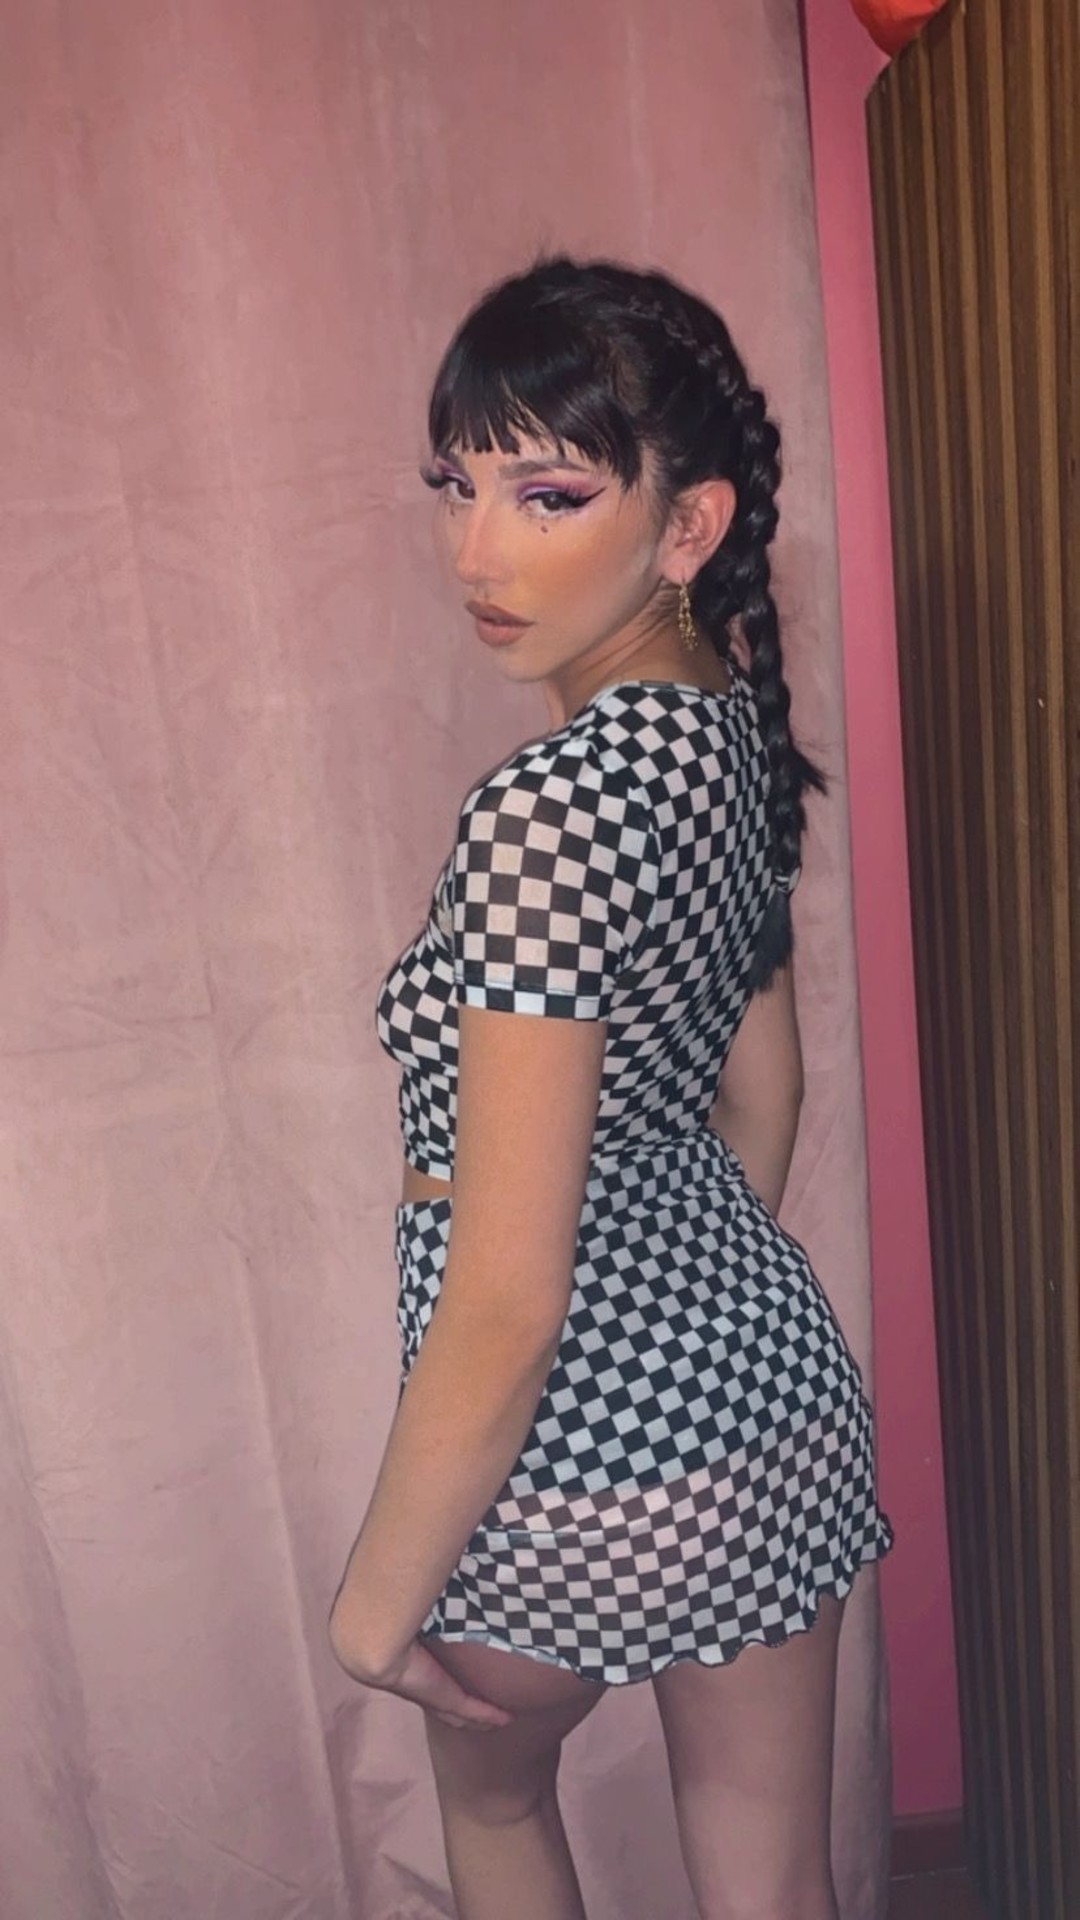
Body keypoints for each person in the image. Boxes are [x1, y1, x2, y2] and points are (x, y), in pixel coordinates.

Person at [328, 254, 895, 1920]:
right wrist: (689, 1322)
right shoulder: (729, 741)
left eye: (549, 494)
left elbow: (509, 1294)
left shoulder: (546, 812)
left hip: (578, 1439)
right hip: (770, 1397)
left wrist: (369, 1612)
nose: (476, 551)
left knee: (494, 1803)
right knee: (772, 1888)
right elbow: (765, 1098)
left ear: (689, 522)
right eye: (458, 486)